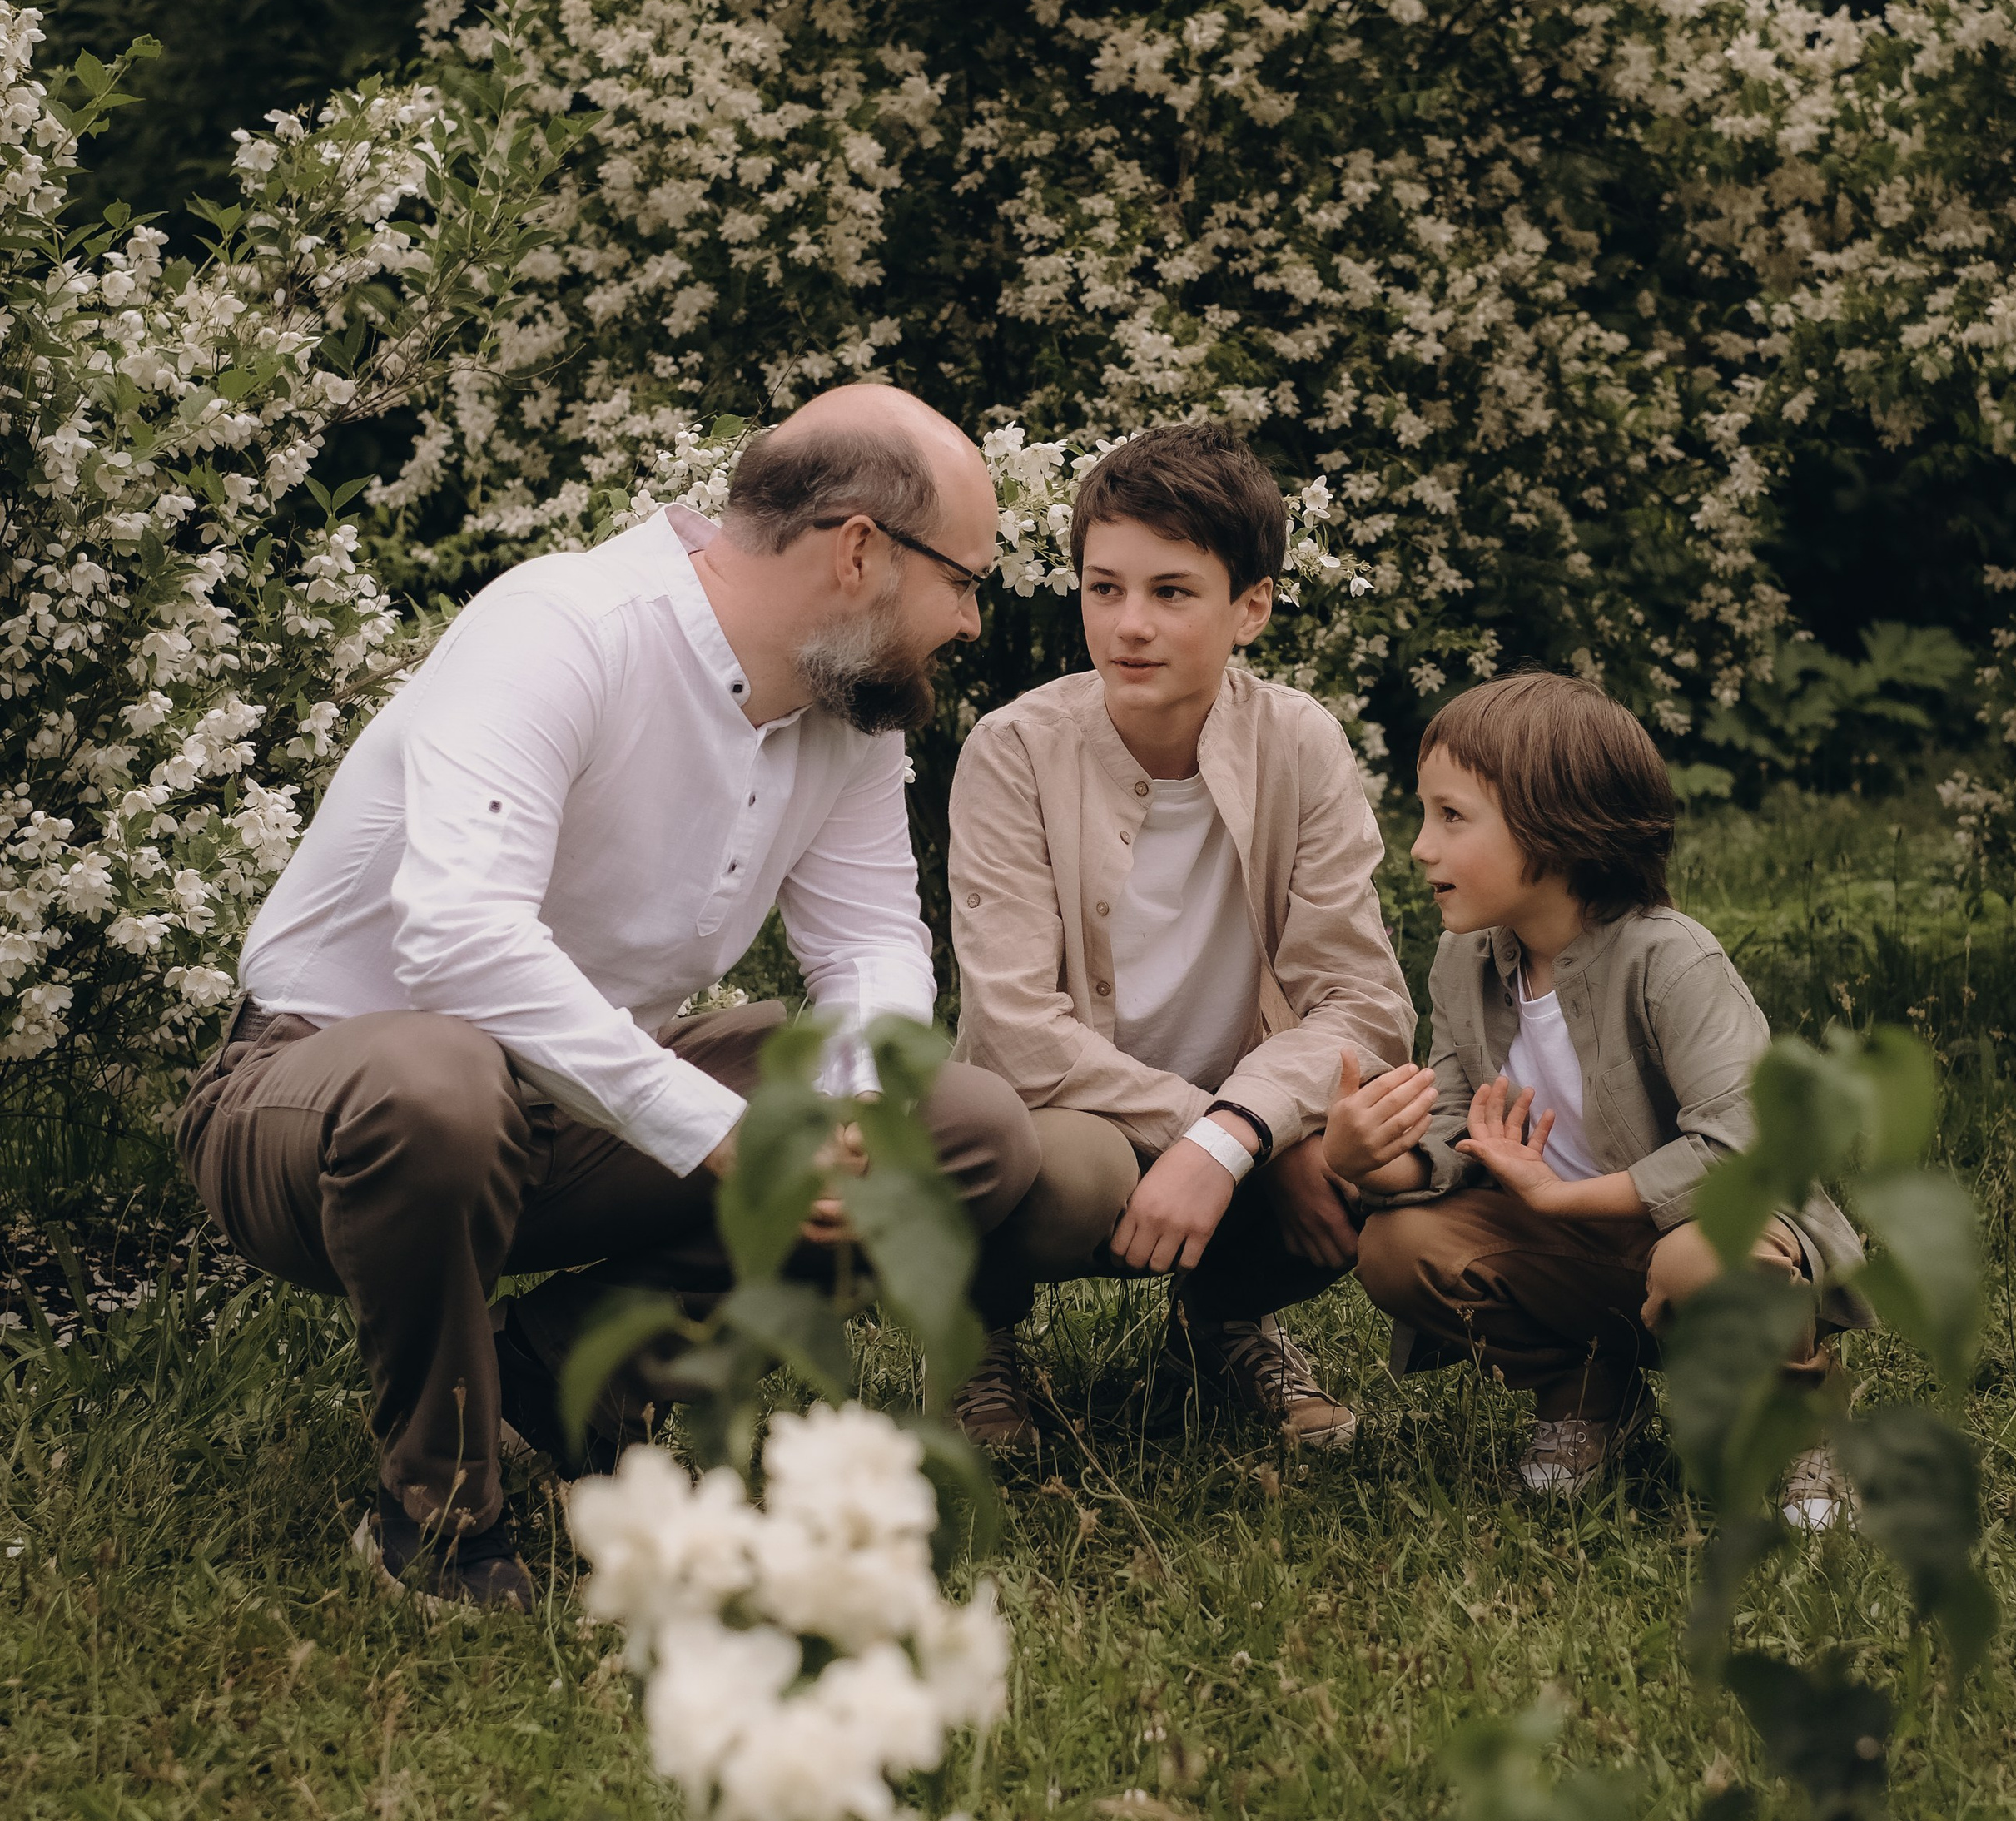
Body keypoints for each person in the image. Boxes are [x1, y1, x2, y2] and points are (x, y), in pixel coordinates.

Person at [179, 387, 1042, 1611]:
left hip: (572, 1114)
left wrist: (858, 1109)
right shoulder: (564, 625)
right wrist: (728, 1136)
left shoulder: (850, 709)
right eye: (966, 578)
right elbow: (458, 944)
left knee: (962, 1130)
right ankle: (439, 1518)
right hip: (319, 1100)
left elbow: (870, 950)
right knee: (443, 1077)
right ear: (860, 550)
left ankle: (562, 1369)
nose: (967, 618)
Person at [946, 422, 1422, 1454]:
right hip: (1068, 1118)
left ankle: (1222, 1323)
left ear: (1250, 606)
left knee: (1364, 1156)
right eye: (1103, 587)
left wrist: (1248, 1132)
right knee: (1070, 1176)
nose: (1128, 625)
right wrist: (1227, 1133)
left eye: (1171, 592)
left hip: (1235, 1119)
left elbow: (1365, 1002)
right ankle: (972, 1338)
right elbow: (1015, 1025)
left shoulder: (1299, 741)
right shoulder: (1014, 751)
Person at [1323, 670, 1863, 1507]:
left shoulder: (1670, 960)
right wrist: (1369, 1161)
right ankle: (1587, 1397)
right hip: (1574, 1249)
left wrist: (1565, 1199)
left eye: (1452, 817)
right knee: (1397, 1247)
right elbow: (1457, 1124)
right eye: (1425, 814)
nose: (1421, 846)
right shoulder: (1463, 962)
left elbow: (1743, 1149)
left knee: (1697, 1260)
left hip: (1705, 1238)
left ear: (1559, 832)